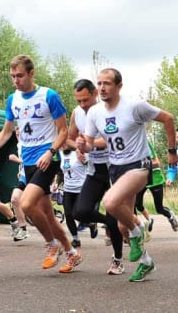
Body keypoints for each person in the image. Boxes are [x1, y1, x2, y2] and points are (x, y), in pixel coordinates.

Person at [77, 68, 178, 282]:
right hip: (116, 168)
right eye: (100, 83)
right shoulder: (95, 112)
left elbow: (168, 119)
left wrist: (171, 152)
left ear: (119, 86)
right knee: (122, 225)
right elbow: (87, 146)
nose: (102, 88)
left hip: (139, 165)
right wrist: (82, 146)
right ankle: (146, 261)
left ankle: (137, 231)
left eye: (107, 83)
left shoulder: (134, 106)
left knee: (110, 202)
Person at [0, 54, 82, 273]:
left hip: (48, 158)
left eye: (19, 75)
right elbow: (7, 130)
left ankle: (51, 245)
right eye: (12, 76)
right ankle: (72, 253)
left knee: (26, 204)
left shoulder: (49, 95)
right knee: (46, 213)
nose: (16, 80)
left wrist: (51, 151)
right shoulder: (13, 99)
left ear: (31, 73)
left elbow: (63, 131)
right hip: (28, 160)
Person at [67, 78, 124, 275]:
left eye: (86, 100)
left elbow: (113, 139)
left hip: (113, 168)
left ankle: (117, 259)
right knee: (80, 212)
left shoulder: (106, 112)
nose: (82, 105)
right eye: (79, 101)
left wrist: (89, 144)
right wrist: (78, 148)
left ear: (95, 94)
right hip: (94, 170)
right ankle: (110, 224)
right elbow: (69, 138)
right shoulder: (77, 114)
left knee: (112, 211)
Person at [135, 140, 178, 232]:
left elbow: (156, 162)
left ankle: (170, 216)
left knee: (159, 209)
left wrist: (137, 165)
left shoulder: (144, 143)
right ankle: (148, 221)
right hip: (141, 180)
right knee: (137, 204)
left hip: (155, 179)